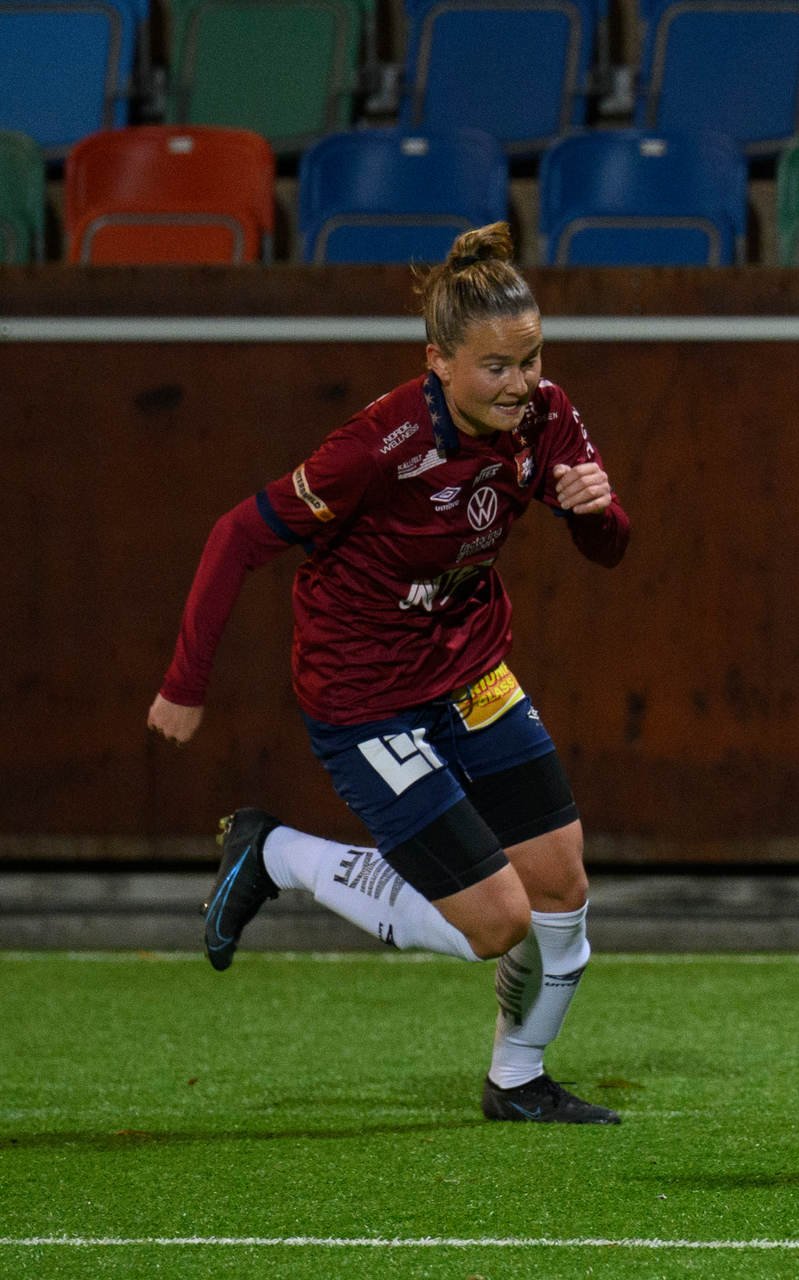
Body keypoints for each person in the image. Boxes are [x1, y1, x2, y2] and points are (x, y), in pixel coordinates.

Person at [147, 223, 630, 1125]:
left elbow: (610, 548)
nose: (521, 383)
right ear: (439, 362)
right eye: (496, 366)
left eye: (531, 359)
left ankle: (516, 1082)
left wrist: (595, 512)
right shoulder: (379, 445)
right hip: (368, 701)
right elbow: (235, 537)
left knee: (563, 891)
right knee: (497, 925)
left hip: (473, 672)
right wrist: (185, 680)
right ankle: (277, 852)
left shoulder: (547, 413)